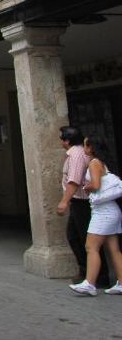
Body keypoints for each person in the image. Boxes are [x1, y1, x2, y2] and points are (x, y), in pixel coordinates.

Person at [69, 135, 122, 296]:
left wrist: (87, 186)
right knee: (114, 249)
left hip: (103, 211)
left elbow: (96, 185)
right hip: (110, 210)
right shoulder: (102, 162)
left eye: (85, 145)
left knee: (91, 246)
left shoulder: (93, 163)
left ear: (91, 147)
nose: (83, 148)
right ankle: (120, 282)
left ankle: (90, 283)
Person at [57, 126, 109, 287]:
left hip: (82, 202)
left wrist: (64, 201)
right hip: (78, 202)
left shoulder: (77, 155)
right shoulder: (77, 153)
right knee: (75, 236)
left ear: (67, 140)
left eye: (61, 138)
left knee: (88, 240)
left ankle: (98, 276)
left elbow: (74, 180)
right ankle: (88, 271)